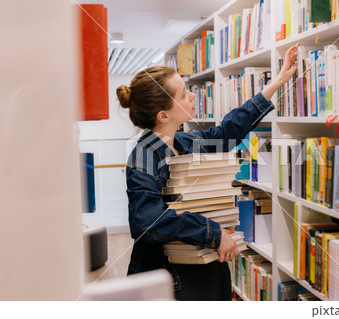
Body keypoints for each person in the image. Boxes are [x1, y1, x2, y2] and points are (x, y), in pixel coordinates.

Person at [117, 43, 299, 301]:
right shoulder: (143, 156)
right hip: (171, 283)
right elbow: (148, 221)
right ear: (163, 115)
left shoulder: (185, 142)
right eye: (182, 94)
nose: (191, 95)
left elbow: (226, 133)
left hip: (204, 273)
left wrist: (276, 83)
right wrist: (213, 233)